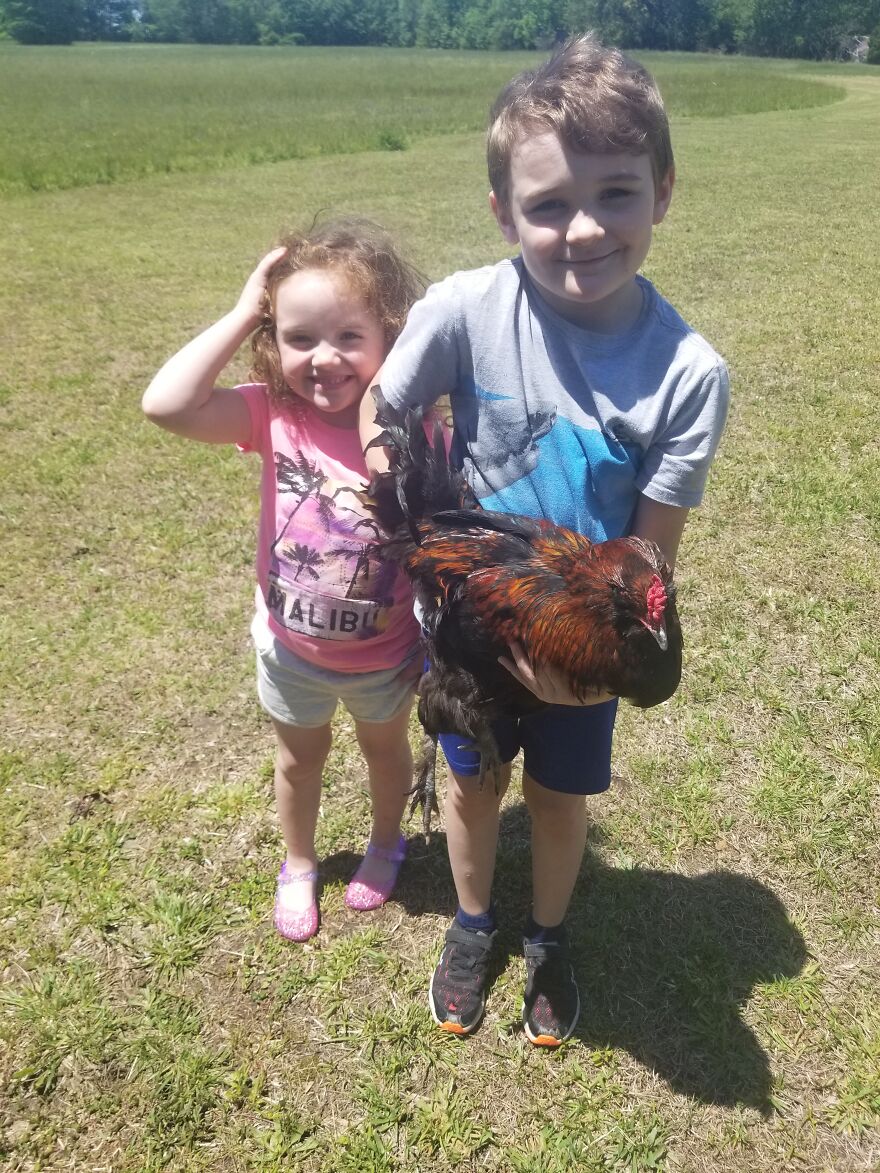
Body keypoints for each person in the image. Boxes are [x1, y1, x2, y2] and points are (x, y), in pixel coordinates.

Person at [360, 36, 729, 1044]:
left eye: (614, 194)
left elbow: (654, 557)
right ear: (501, 211)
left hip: (579, 642)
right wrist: (394, 493)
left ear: (660, 193)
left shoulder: (687, 372)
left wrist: (598, 667)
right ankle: (474, 926)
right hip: (469, 633)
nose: (582, 227)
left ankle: (548, 938)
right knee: (474, 785)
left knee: (562, 800)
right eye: (548, 203)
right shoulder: (462, 309)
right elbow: (382, 412)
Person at [144, 218, 425, 942]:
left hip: (384, 654)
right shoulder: (272, 415)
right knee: (299, 761)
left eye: (347, 338)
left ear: (389, 336)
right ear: (274, 342)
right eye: (299, 338)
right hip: (291, 648)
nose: (323, 358)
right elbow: (165, 404)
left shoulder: (415, 431)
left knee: (384, 752)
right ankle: (298, 860)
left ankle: (386, 842)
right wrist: (245, 311)